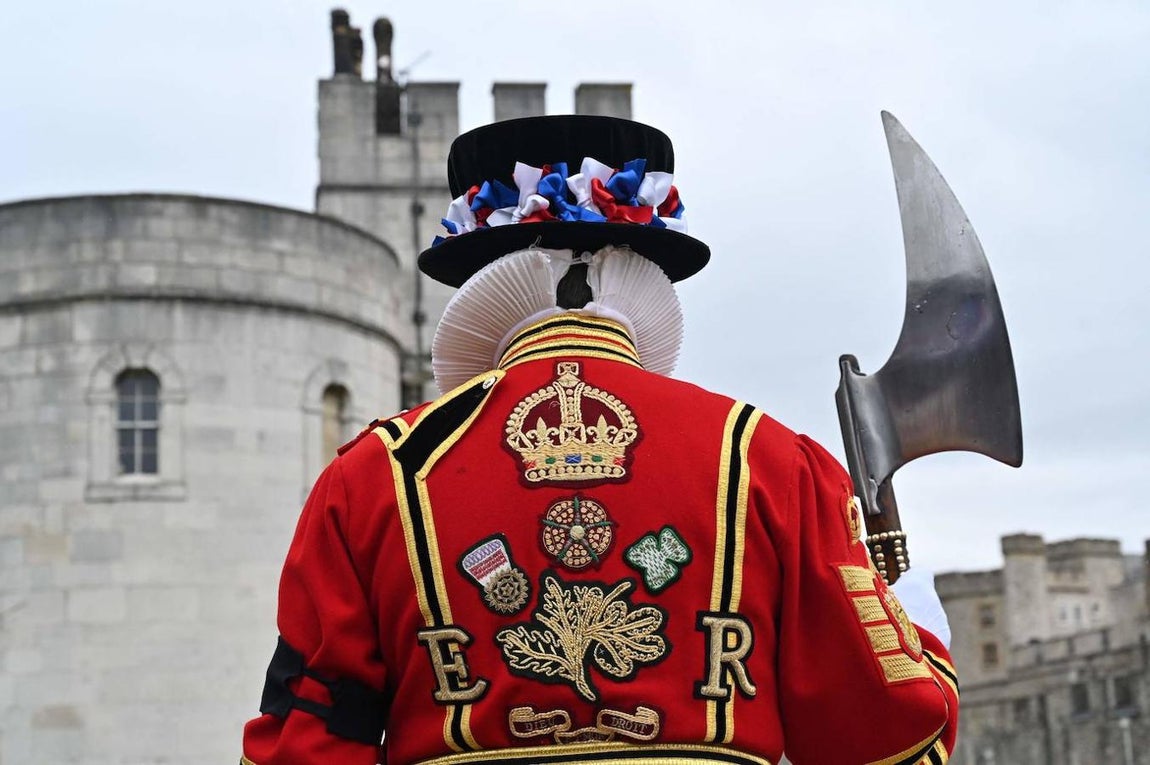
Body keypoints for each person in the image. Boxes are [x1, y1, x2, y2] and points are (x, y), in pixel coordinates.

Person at [241, 115, 958, 765]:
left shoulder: (374, 476)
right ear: (641, 266)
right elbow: (886, 738)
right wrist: (918, 624)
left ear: (481, 272)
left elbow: (303, 746)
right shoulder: (771, 460)